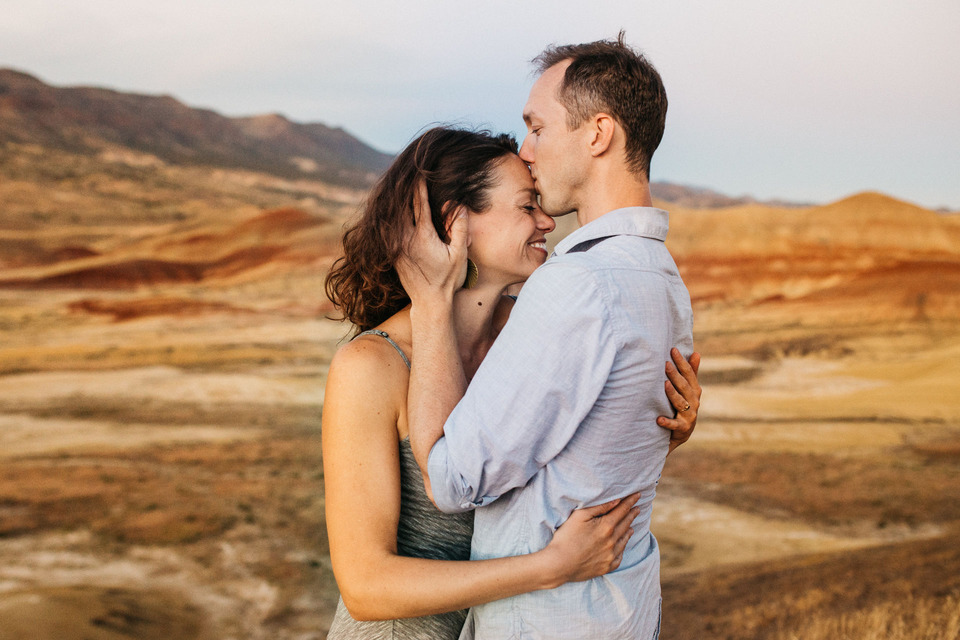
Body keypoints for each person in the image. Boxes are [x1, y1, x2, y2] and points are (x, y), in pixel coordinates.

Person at [322, 126, 701, 639]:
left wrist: (660, 426)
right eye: (527, 207)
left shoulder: (534, 335)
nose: (548, 221)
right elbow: (366, 587)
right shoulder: (371, 367)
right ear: (456, 223)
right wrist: (549, 568)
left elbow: (562, 472)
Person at [397, 34, 695, 638]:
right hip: (622, 614)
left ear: (598, 133)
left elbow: (455, 480)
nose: (528, 150)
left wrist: (430, 306)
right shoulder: (662, 276)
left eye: (537, 127)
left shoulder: (577, 284)